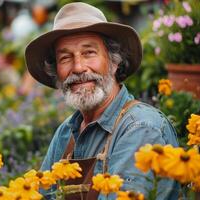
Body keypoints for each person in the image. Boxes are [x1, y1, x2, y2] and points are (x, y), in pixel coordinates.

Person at [24, 2, 179, 200]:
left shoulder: (141, 128)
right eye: (65, 58)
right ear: (57, 73)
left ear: (114, 62)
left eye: (89, 53)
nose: (78, 67)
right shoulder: (66, 132)